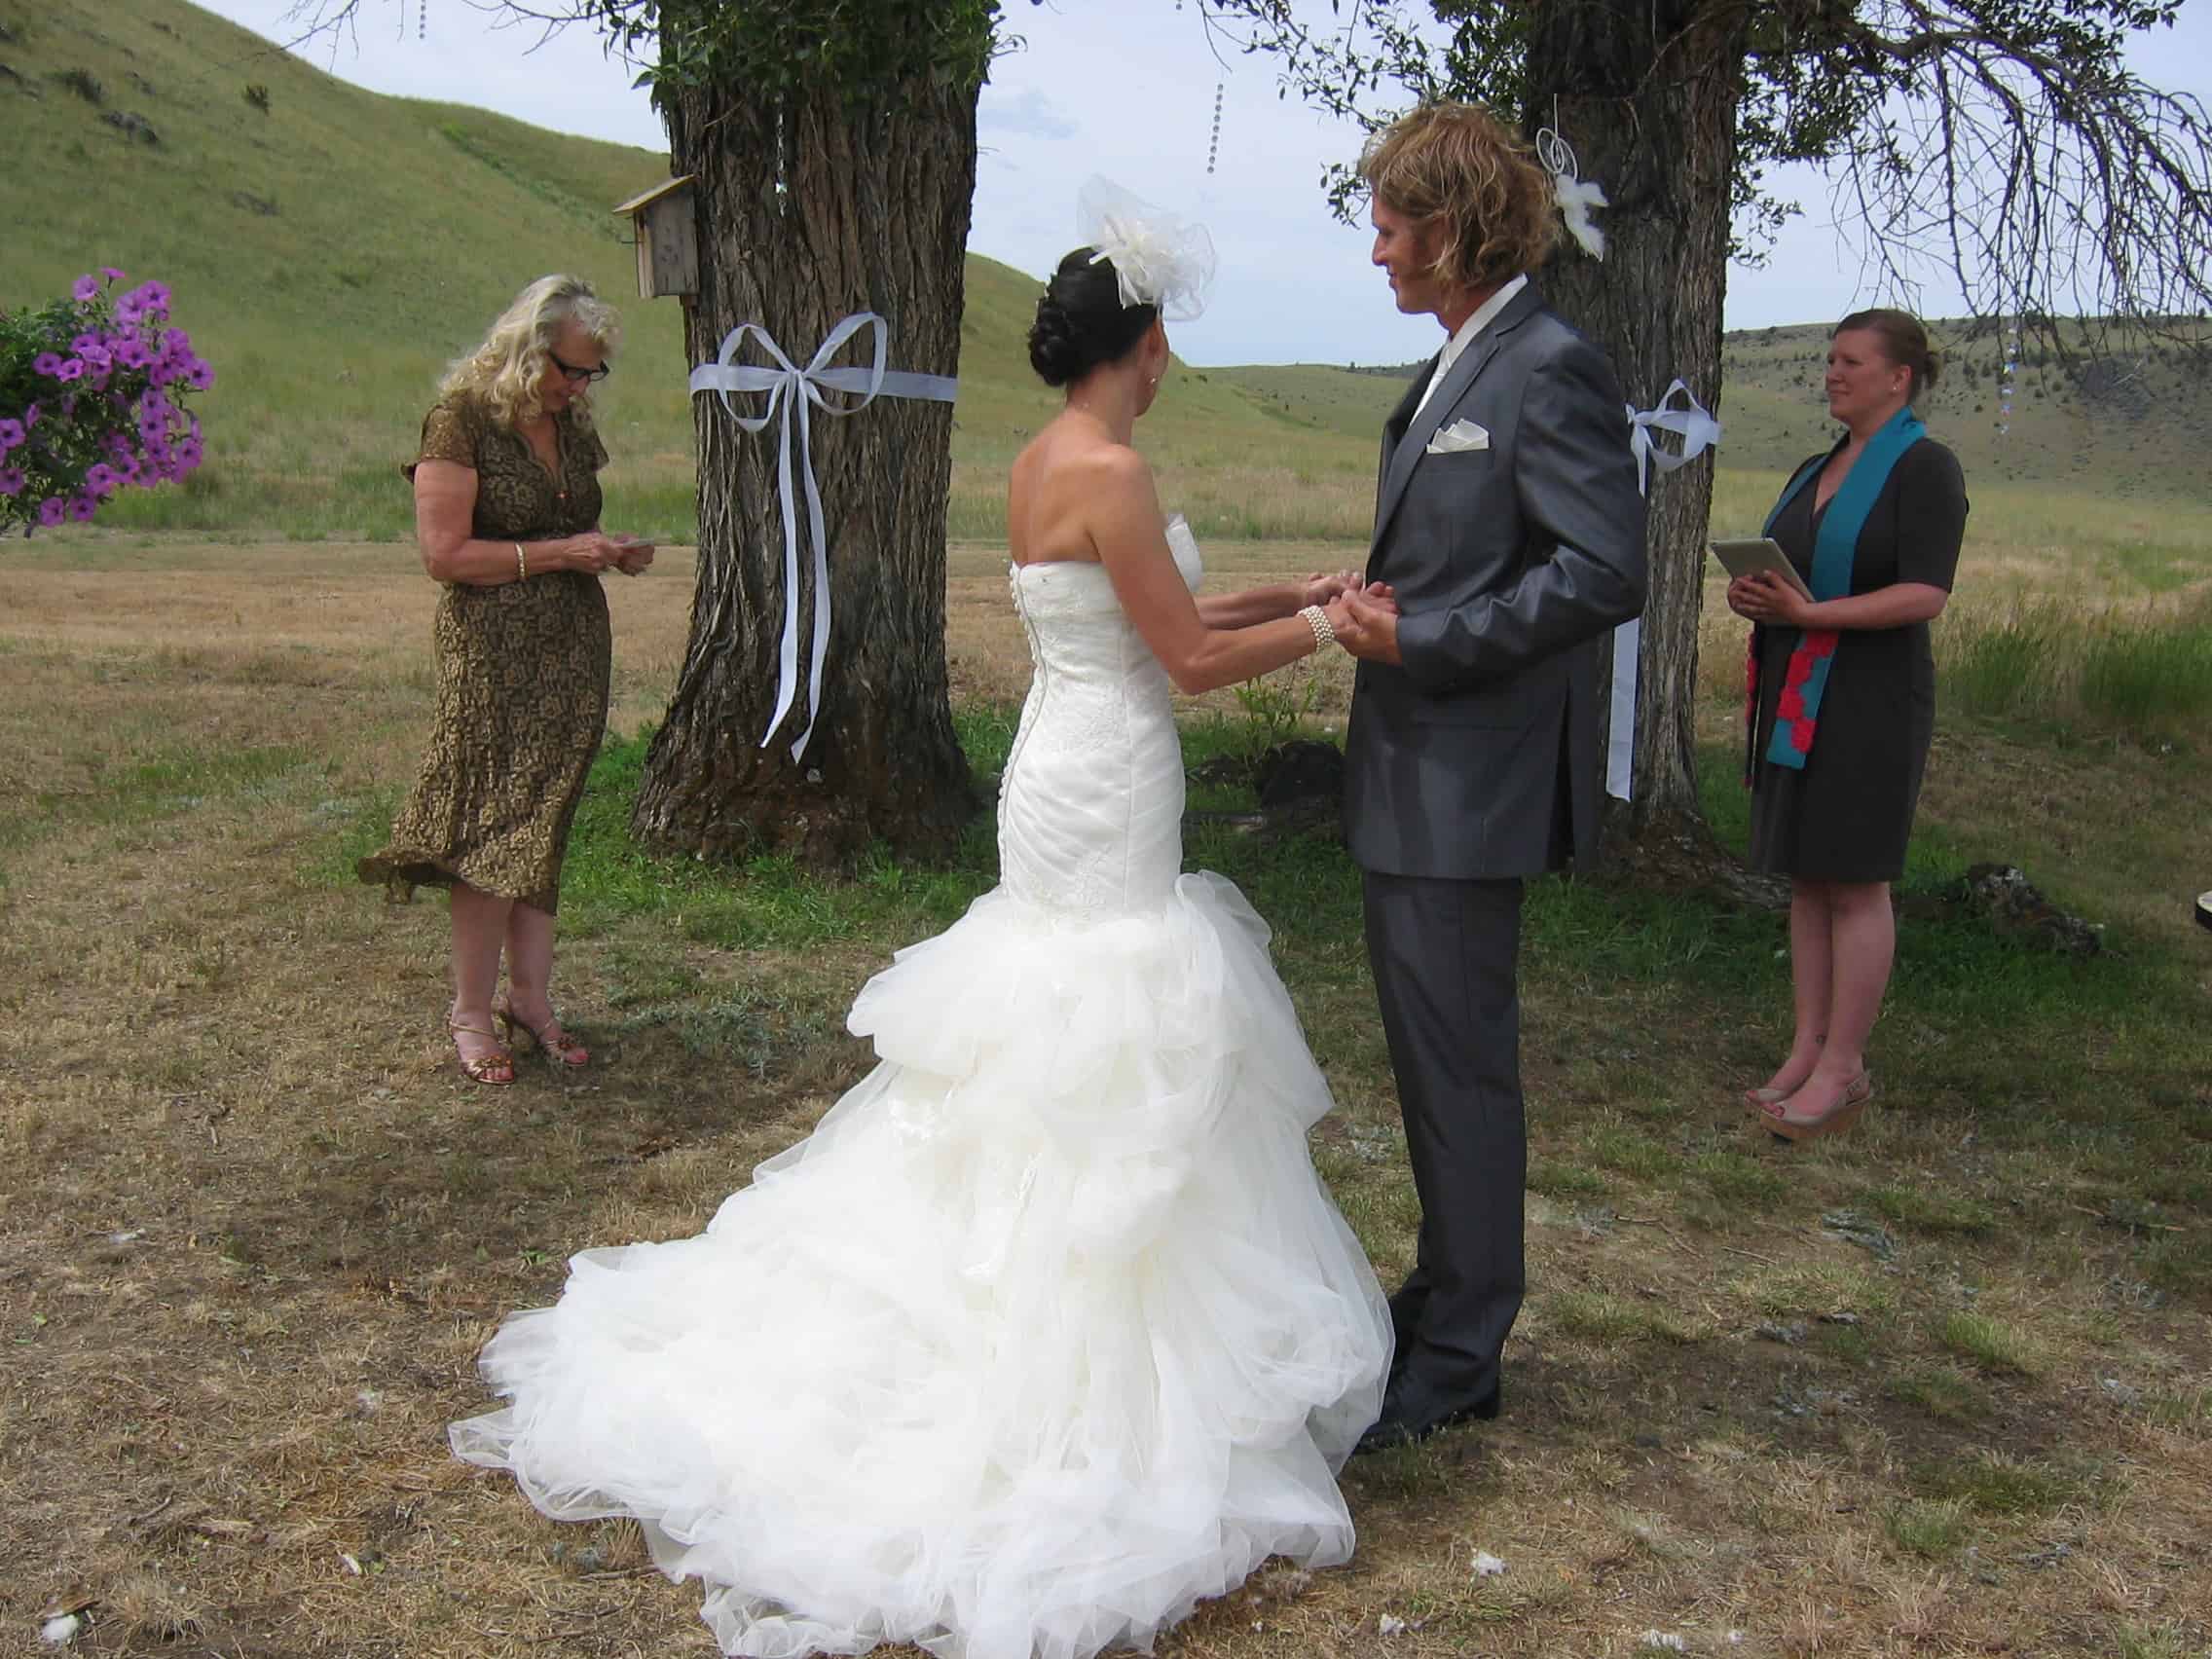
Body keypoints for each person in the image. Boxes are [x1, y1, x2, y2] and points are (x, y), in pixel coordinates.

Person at [448, 200, 1393, 1659]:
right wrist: (1333, 636)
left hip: (1064, 762)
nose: (1168, 370)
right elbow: (1195, 659)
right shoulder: (1117, 470)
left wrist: (1303, 586)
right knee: (1108, 1010)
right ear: (1136, 347)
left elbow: (1166, 605)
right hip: (1108, 774)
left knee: (1059, 1003)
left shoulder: (1041, 462)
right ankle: (1065, 1331)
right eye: (1166, 348)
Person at [1327, 104, 1648, 1453]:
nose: (1381, 254)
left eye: (1394, 228)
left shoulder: (1545, 365)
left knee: (1462, 1075)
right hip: (1416, 780)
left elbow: (1602, 570)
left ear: (1453, 232)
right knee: (1432, 1065)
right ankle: (1443, 1297)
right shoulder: (1465, 361)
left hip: (1468, 787)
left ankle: (1461, 1354)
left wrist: (1427, 640)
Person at [358, 275, 653, 1086]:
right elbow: (444, 557)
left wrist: (608, 548)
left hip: (571, 653)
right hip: (493, 656)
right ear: (529, 349)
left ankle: (531, 1000)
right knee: (494, 830)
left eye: (593, 372)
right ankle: (468, 1011)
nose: (579, 386)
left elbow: (568, 525)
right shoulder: (459, 424)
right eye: (570, 368)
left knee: (544, 824)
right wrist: (561, 553)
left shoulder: (569, 423)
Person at [1728, 309, 1969, 1141]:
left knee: (1857, 879)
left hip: (1869, 694)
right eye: (1829, 360)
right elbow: (1791, 571)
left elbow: (1926, 593)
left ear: (1898, 378)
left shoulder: (1925, 469)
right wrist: (1761, 596)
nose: (1832, 373)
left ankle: (1845, 1066)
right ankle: (1806, 1047)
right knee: (1808, 874)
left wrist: (1815, 609)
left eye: (1850, 362)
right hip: (1800, 688)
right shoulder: (1816, 466)